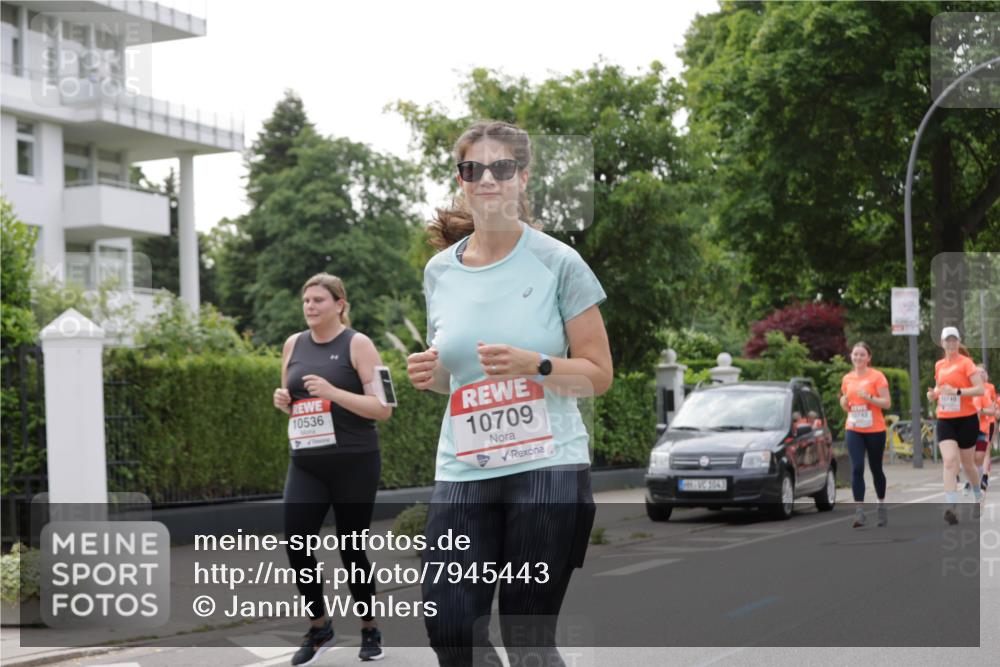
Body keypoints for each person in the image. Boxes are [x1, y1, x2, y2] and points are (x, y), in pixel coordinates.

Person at [406, 120, 613, 666]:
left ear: (522, 177)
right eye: (472, 169)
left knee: (527, 641)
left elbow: (598, 375)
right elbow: (458, 378)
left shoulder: (558, 262)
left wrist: (536, 365)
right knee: (452, 629)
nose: (486, 179)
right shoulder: (439, 272)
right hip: (464, 469)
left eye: (500, 168)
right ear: (461, 179)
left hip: (548, 467)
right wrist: (433, 375)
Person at [273, 273, 393, 665]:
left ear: (339, 304)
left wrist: (334, 392)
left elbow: (384, 408)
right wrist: (284, 401)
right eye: (306, 300)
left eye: (318, 300)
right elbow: (296, 401)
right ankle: (319, 627)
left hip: (355, 462)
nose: (309, 306)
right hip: (307, 463)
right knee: (296, 544)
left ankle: (370, 628)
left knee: (351, 548)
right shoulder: (293, 344)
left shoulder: (359, 344)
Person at [926, 327, 986, 524]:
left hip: (967, 419)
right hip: (945, 419)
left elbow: (979, 390)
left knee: (968, 464)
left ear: (958, 342)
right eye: (947, 340)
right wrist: (933, 394)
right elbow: (939, 387)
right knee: (950, 461)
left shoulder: (966, 363)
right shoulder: (939, 365)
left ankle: (978, 496)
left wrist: (958, 392)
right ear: (942, 343)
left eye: (954, 340)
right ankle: (952, 507)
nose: (951, 343)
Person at [839, 342, 891, 528]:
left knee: (876, 468)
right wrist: (843, 403)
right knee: (857, 467)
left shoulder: (877, 376)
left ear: (868, 358)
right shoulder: (847, 379)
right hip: (854, 428)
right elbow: (846, 404)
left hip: (875, 429)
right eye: (855, 354)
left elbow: (887, 403)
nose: (858, 357)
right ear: (851, 356)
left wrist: (869, 398)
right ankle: (859, 512)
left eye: (862, 355)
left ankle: (881, 505)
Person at [972, 365, 998, 492]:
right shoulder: (972, 388)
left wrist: (988, 411)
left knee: (986, 450)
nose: (981, 374)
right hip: (974, 425)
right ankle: (976, 476)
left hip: (989, 423)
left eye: (983, 372)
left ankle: (985, 477)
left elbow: (994, 405)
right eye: (978, 372)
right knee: (975, 454)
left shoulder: (990, 387)